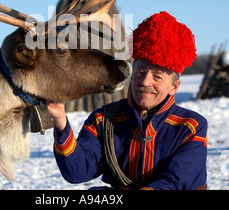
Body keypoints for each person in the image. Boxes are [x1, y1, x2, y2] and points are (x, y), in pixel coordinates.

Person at [46, 11, 207, 190]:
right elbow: (77, 173)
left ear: (174, 87)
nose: (145, 81)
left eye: (158, 77)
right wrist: (60, 123)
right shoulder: (103, 119)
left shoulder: (191, 126)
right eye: (140, 72)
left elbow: (175, 182)